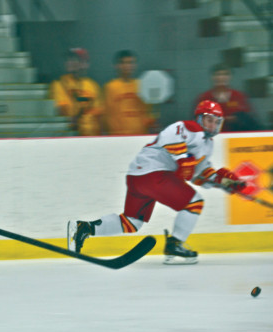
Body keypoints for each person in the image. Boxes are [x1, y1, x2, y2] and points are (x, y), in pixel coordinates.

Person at [67, 100, 245, 265]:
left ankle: (83, 229)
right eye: (209, 120)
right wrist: (183, 158)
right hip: (154, 173)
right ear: (199, 118)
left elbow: (198, 175)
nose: (212, 125)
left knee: (131, 223)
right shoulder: (191, 128)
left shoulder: (207, 144)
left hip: (138, 176)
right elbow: (170, 136)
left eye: (216, 121)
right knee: (194, 203)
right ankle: (174, 245)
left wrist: (223, 181)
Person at [49, 48, 104, 136]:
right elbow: (62, 110)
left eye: (73, 59)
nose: (69, 62)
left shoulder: (93, 85)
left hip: (92, 136)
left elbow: (99, 115)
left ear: (84, 64)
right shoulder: (59, 83)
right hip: (70, 136)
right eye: (68, 59)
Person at [196, 63, 261, 131]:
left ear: (230, 77)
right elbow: (198, 121)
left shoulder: (239, 96)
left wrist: (237, 119)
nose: (221, 77)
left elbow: (251, 118)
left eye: (225, 74)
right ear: (212, 77)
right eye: (217, 74)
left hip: (237, 136)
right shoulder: (204, 98)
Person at [104, 50, 156, 135]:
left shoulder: (141, 85)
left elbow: (148, 112)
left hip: (140, 135)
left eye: (130, 62)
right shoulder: (110, 87)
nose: (127, 66)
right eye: (123, 63)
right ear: (116, 66)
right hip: (118, 136)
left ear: (135, 65)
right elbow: (107, 115)